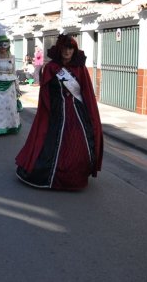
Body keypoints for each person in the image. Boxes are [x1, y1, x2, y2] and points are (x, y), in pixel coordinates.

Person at [15, 34, 104, 190]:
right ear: (59, 49)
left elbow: (86, 92)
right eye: (64, 48)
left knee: (77, 141)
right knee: (51, 141)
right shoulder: (51, 68)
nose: (67, 51)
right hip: (56, 112)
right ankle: (50, 176)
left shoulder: (80, 68)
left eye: (70, 48)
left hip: (77, 112)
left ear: (74, 50)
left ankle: (75, 176)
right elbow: (45, 92)